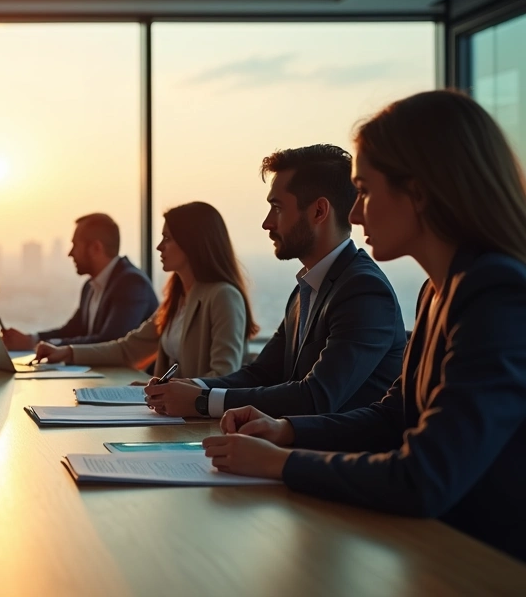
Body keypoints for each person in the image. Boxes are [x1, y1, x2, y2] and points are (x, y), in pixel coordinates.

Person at [204, 89, 526, 562]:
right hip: (427, 551)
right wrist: (286, 431)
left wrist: (284, 464)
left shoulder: (498, 296)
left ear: (419, 191)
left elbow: (424, 478)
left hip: (482, 566)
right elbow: (392, 415)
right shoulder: (438, 292)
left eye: (367, 192)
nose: (353, 213)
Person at [144, 145, 406, 418]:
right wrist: (189, 386)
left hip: (336, 456)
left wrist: (203, 400)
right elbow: (262, 373)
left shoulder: (363, 290)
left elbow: (316, 397)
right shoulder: (305, 289)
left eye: (277, 208)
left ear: (318, 212)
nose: (266, 223)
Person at [35, 202, 257, 381]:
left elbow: (224, 376)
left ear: (193, 243)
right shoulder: (178, 298)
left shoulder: (223, 297)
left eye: (167, 238)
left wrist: (168, 389)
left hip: (201, 427)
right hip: (173, 416)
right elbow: (129, 348)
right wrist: (68, 352)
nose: (159, 247)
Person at [1, 213, 157, 351]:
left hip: (132, 380)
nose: (70, 254)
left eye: (75, 245)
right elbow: (73, 330)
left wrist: (37, 345)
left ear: (96, 248)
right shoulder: (90, 287)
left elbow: (110, 343)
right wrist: (32, 339)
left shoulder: (131, 284)